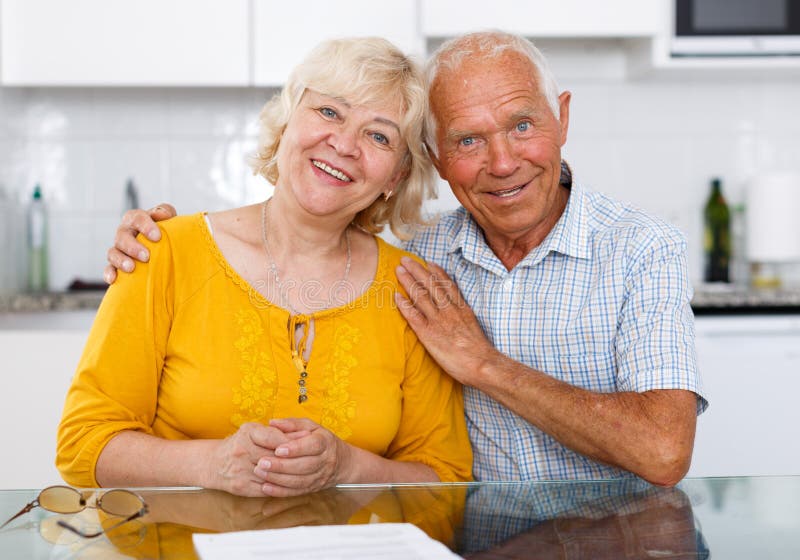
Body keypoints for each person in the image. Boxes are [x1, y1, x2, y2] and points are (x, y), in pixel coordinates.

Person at [104, 31, 707, 487]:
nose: (501, 162)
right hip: (472, 545)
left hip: (617, 543)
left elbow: (663, 451)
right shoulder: (420, 259)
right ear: (436, 160)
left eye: (522, 125)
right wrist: (158, 242)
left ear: (563, 118)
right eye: (467, 140)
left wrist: (485, 365)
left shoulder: (640, 248)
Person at [56, 37, 472, 499]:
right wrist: (209, 464)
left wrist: (349, 466)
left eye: (379, 136)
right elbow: (83, 445)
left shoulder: (410, 289)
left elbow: (449, 480)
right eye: (329, 112)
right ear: (287, 123)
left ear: (395, 177)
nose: (343, 144)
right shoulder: (164, 252)